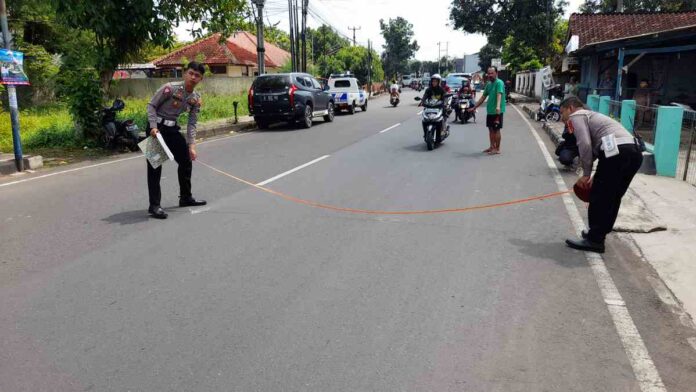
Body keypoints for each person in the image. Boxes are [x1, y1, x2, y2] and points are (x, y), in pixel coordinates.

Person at [561, 96, 644, 253]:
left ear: (570, 108)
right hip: (633, 152)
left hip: (617, 154)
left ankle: (595, 240)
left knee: (599, 195)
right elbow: (597, 149)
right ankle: (598, 234)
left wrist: (586, 174)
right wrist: (594, 173)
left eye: (562, 112)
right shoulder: (594, 116)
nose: (562, 118)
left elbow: (584, 144)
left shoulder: (577, 116)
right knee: (612, 196)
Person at [145, 62, 207, 219]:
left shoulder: (195, 98)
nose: (193, 77)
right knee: (155, 166)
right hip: (155, 130)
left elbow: (192, 122)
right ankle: (154, 206)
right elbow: (151, 106)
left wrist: (192, 145)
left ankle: (185, 198)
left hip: (172, 130)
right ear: (185, 73)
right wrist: (153, 126)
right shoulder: (170, 88)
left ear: (201, 79)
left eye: (197, 75)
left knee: (186, 161)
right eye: (191, 73)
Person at [469, 66, 506, 155]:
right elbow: (483, 97)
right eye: (488, 73)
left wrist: (498, 107)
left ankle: (497, 148)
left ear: (496, 73)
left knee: (496, 129)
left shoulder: (499, 83)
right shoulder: (489, 84)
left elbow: (499, 94)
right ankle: (491, 147)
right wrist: (474, 107)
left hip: (498, 111)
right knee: (490, 129)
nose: (490, 75)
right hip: (490, 111)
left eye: (492, 73)